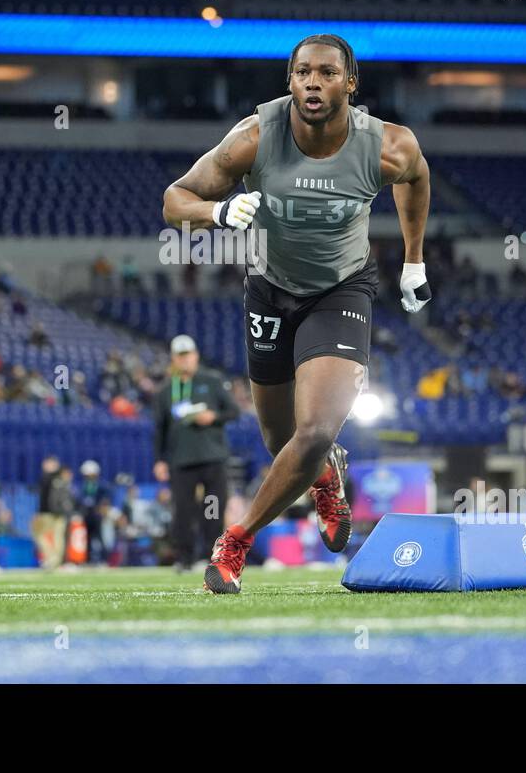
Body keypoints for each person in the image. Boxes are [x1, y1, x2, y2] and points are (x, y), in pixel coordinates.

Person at [162, 33, 431, 593]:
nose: (313, 82)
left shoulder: (388, 145)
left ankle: (235, 542)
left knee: (313, 431)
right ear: (289, 80)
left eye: (327, 73)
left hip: (341, 291)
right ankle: (325, 474)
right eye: (303, 72)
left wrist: (413, 261)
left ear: (350, 83)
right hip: (269, 290)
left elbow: (416, 179)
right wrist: (218, 212)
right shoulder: (255, 137)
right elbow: (174, 201)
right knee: (279, 438)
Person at [151, 335, 240, 572]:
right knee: (182, 510)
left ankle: (213, 556)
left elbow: (233, 411)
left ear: (196, 356)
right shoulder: (165, 390)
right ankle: (184, 558)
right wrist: (159, 460)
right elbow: (159, 429)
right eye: (180, 356)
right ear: (173, 359)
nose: (184, 360)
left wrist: (213, 417)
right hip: (180, 460)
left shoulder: (211, 381)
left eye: (188, 354)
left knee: (213, 509)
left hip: (212, 457)